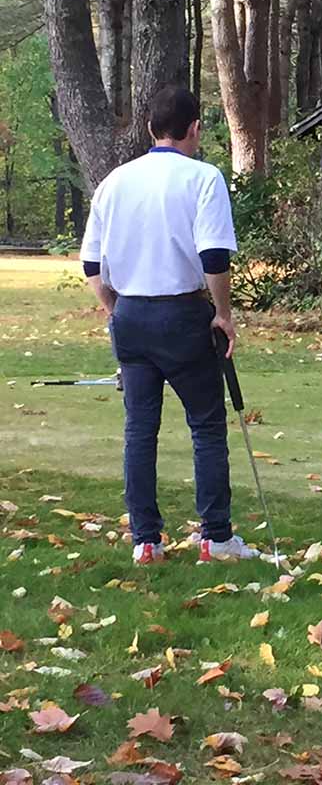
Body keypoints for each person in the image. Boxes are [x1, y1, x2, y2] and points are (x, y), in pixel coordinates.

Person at [80, 85, 256, 565]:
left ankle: (146, 540)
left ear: (150, 128)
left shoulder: (115, 181)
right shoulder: (203, 178)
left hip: (131, 313)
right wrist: (223, 312)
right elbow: (214, 255)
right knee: (205, 426)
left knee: (140, 430)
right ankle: (216, 537)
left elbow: (92, 265)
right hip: (182, 312)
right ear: (195, 129)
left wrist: (116, 309)